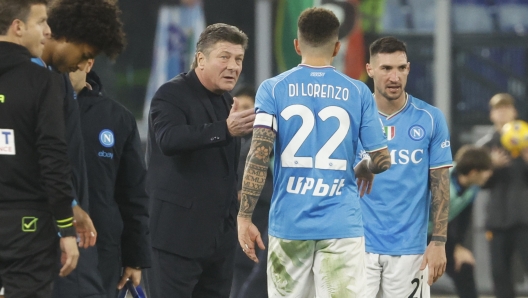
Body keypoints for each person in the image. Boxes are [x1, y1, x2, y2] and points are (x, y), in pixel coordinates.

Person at [237, 7, 391, 297]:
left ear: (297, 45)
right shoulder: (358, 92)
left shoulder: (273, 89)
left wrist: (244, 216)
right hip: (341, 226)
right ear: (337, 47)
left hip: (289, 225)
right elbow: (383, 160)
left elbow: (258, 155)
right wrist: (364, 168)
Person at [146, 23, 254, 297]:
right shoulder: (171, 94)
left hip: (218, 244)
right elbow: (169, 139)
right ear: (201, 59)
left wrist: (236, 220)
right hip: (176, 241)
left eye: (239, 59)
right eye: (224, 57)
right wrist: (224, 130)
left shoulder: (226, 102)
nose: (233, 66)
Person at [35, 1, 126, 297]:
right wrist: (67, 212)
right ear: (65, 36)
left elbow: (64, 154)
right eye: (85, 54)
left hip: (64, 226)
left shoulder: (58, 79)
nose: (82, 64)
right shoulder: (31, 80)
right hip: (37, 231)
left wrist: (73, 204)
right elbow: (44, 156)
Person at [357, 36, 453, 297]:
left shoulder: (430, 118)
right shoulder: (353, 117)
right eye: (386, 68)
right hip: (356, 246)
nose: (394, 77)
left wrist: (439, 241)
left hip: (410, 251)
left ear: (408, 68)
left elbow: (441, 183)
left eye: (401, 68)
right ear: (370, 70)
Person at [0, 1, 79, 297]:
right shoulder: (42, 82)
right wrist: (66, 229)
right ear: (17, 28)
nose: (48, 31)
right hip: (27, 227)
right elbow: (53, 159)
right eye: (41, 22)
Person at [69, 59, 151, 298]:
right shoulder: (37, 108)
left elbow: (133, 194)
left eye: (71, 63)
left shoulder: (117, 118)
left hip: (102, 249)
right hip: (45, 241)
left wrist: (135, 259)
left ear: (88, 62)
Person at [476, 93, 528, 298]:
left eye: (507, 108)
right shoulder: (486, 146)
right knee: (500, 274)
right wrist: (491, 166)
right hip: (497, 220)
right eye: (498, 109)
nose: (503, 112)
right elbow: (477, 183)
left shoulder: (526, 141)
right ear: (491, 115)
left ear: (515, 112)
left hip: (524, 218)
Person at [428, 145, 492, 298]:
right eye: (486, 171)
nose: (489, 175)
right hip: (415, 235)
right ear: (473, 172)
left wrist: (459, 247)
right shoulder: (440, 179)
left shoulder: (473, 188)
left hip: (441, 235)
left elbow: (462, 219)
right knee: (415, 275)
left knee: (464, 266)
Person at [230, 86, 270, 298]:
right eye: (237, 108)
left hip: (262, 230)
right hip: (233, 240)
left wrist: (244, 192)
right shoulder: (225, 144)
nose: (242, 113)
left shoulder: (266, 147)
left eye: (248, 108)